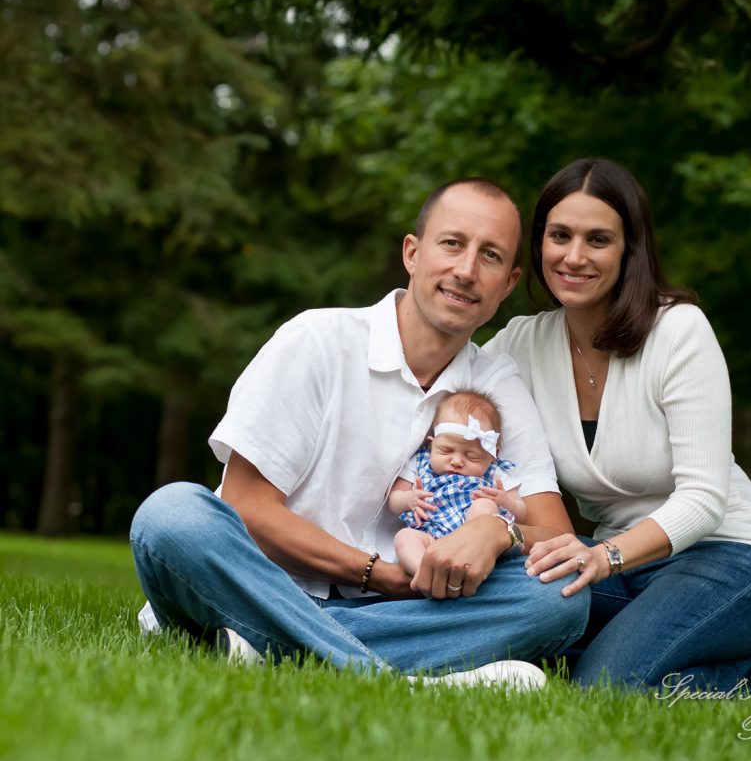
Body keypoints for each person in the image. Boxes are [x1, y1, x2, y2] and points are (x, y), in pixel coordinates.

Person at [129, 177, 589, 686]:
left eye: (491, 256)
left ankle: (265, 645)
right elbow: (246, 504)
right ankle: (399, 681)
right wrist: (379, 574)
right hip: (257, 581)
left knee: (561, 589)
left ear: (507, 283)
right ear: (413, 254)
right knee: (170, 516)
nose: (466, 270)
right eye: (453, 244)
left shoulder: (498, 386)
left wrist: (500, 529)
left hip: (406, 609)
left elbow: (558, 537)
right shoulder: (318, 340)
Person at [484, 159, 751, 695]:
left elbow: (703, 499)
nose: (574, 256)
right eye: (559, 235)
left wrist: (601, 556)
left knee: (602, 689)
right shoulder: (521, 343)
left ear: (630, 250)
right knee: (504, 631)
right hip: (620, 566)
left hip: (726, 555)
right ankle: (675, 649)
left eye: (598, 239)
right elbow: (444, 396)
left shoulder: (678, 330)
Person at [389, 390, 526, 576]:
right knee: (404, 538)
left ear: (493, 455)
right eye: (446, 450)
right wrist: (408, 499)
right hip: (432, 537)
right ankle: (425, 574)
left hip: (476, 546)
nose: (457, 461)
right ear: (432, 444)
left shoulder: (497, 472)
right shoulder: (419, 462)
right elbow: (394, 500)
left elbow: (522, 513)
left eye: (472, 456)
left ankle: (471, 568)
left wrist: (506, 502)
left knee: (484, 506)